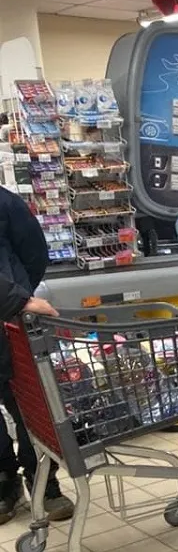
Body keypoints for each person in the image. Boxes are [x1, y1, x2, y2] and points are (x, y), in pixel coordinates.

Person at [0, 188, 72, 523]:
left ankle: (43, 480)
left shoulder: (5, 203)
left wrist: (20, 297)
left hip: (11, 321)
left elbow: (34, 252)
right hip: (12, 305)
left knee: (29, 402)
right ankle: (4, 480)